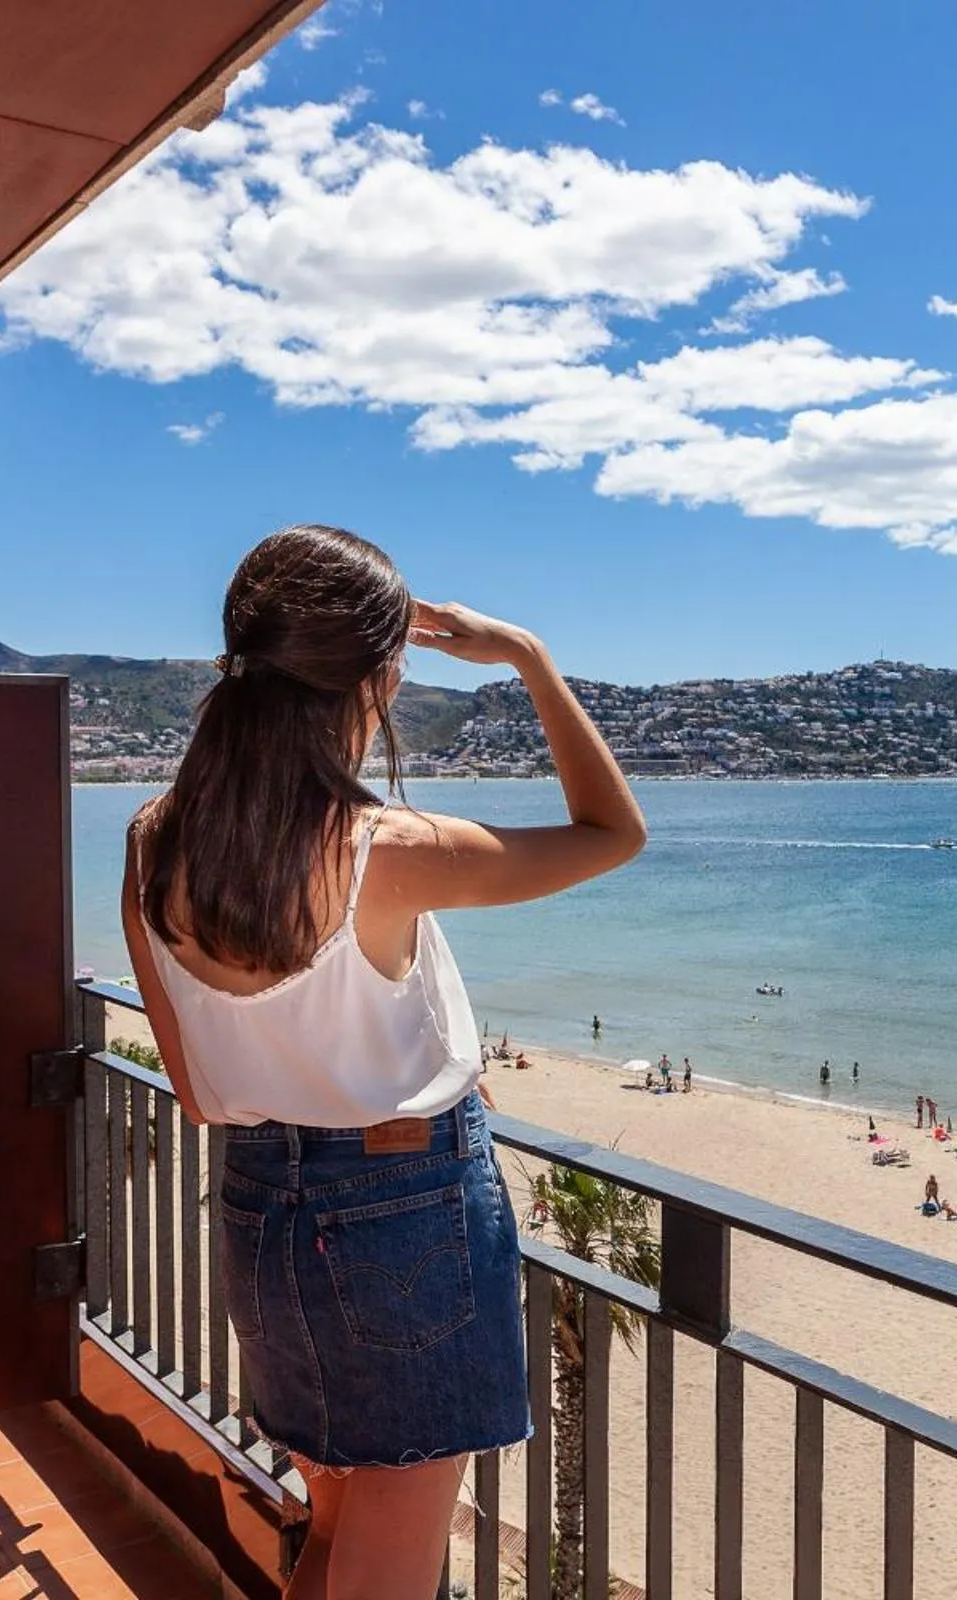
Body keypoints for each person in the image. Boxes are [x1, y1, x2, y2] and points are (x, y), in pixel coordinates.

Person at [120, 525, 645, 1600]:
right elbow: (611, 831)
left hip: (263, 1203)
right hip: (406, 1211)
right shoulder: (385, 850)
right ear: (382, 672)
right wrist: (531, 658)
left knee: (339, 1527)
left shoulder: (151, 839)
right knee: (393, 1557)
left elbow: (199, 1085)